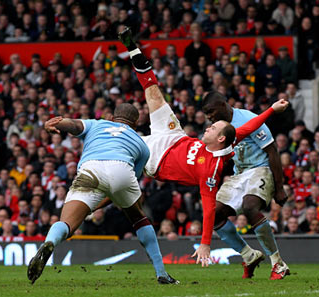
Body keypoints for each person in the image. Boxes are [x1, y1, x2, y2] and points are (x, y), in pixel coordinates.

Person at [118, 26, 289, 267]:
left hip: (154, 157)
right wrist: (272, 108)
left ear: (220, 138)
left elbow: (208, 210)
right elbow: (249, 127)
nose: (207, 126)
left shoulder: (210, 171)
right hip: (173, 136)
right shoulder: (227, 138)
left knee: (115, 147)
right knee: (153, 93)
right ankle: (132, 48)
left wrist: (205, 243)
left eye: (212, 126)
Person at [27, 103, 178, 285]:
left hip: (91, 168)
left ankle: (49, 243)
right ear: (136, 123)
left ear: (112, 118)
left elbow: (74, 125)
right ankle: (161, 273)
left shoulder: (97, 124)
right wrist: (98, 205)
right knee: (138, 217)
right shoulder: (142, 145)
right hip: (122, 169)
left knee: (66, 223)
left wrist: (55, 124)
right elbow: (119, 187)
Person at [201, 90, 290, 279]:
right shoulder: (218, 128)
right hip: (239, 174)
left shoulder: (248, 118)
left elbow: (272, 150)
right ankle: (249, 256)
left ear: (223, 105)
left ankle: (278, 263)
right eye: (206, 113)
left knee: (250, 206)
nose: (209, 117)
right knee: (213, 213)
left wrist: (279, 187)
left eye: (210, 111)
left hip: (261, 169)